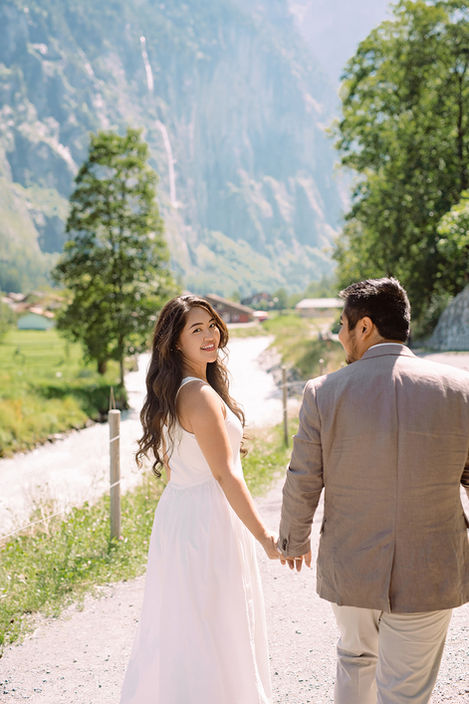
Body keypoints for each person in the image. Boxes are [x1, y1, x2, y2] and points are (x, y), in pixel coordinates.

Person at [278, 277, 469, 704]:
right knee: (406, 691)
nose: (338, 335)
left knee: (356, 660)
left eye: (342, 325)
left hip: (351, 564)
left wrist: (294, 539)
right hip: (432, 566)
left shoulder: (323, 392)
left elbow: (303, 475)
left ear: (364, 327)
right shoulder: (460, 390)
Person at [120, 294, 277, 704]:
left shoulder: (170, 392)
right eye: (196, 329)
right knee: (218, 625)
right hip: (208, 518)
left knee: (186, 626)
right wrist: (265, 536)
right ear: (175, 341)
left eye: (212, 326)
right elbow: (225, 474)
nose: (210, 336)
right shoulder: (201, 396)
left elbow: (176, 469)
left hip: (179, 513)